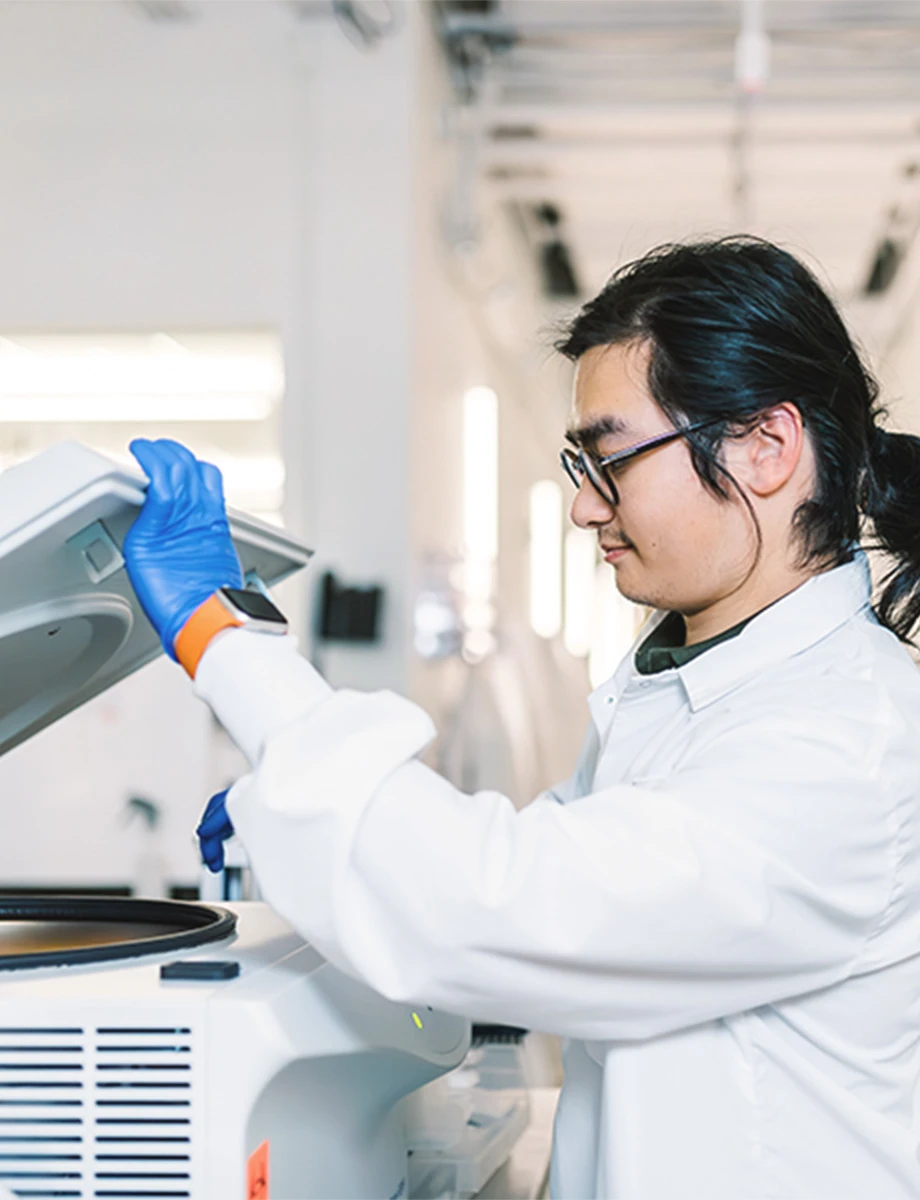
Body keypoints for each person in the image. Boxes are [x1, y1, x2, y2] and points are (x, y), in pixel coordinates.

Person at [124, 237, 920, 1200]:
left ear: (765, 446)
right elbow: (535, 859)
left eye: (612, 458)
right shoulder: (684, 689)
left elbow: (491, 905)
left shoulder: (847, 739)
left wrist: (226, 641)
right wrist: (300, 821)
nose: (586, 508)